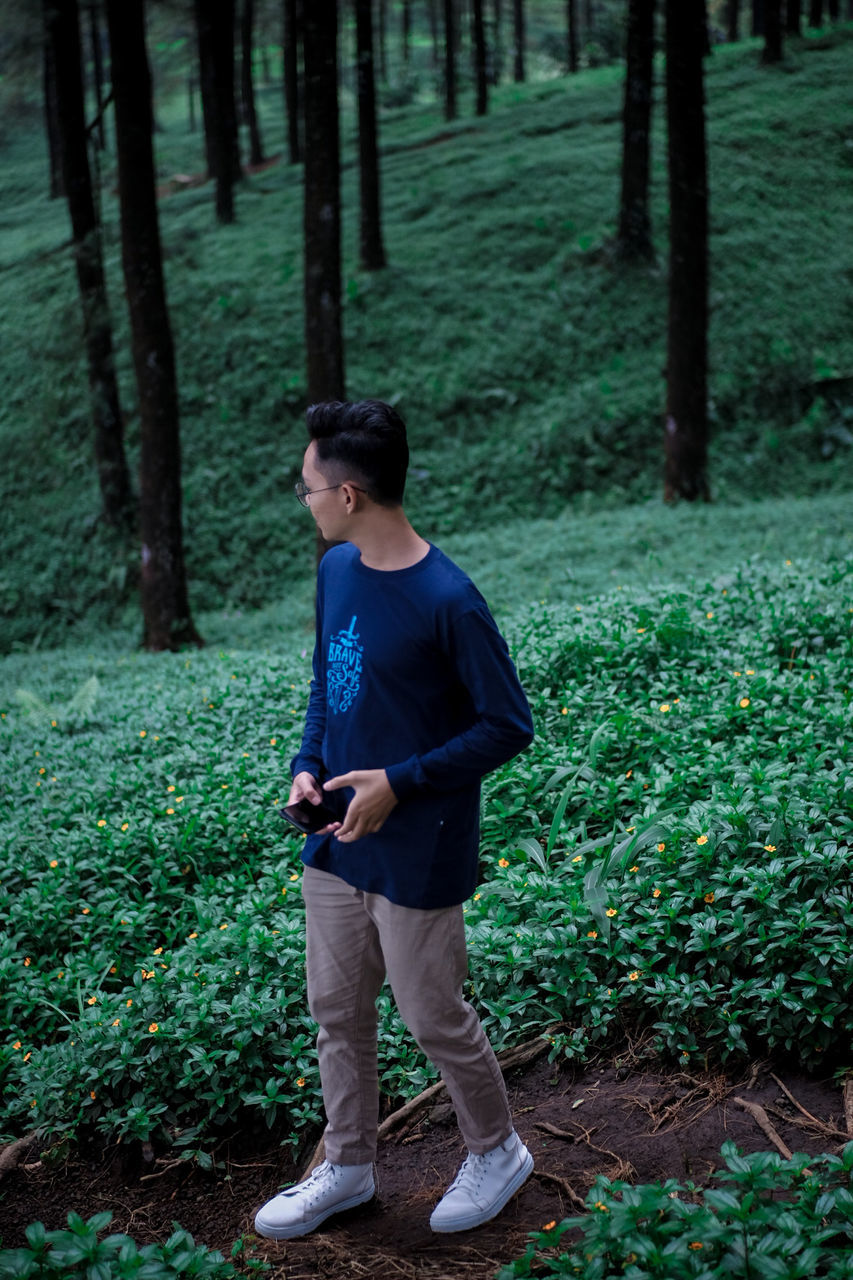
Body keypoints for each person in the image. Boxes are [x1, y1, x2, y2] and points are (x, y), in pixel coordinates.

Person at [254, 400, 535, 1241]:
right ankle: (346, 1166)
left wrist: (399, 785)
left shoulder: (447, 599)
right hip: (334, 844)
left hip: (418, 845)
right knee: (335, 1009)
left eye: (305, 489)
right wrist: (308, 766)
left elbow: (507, 723)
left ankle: (497, 1150)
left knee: (430, 1014)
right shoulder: (336, 569)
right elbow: (325, 685)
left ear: (346, 495)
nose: (302, 500)